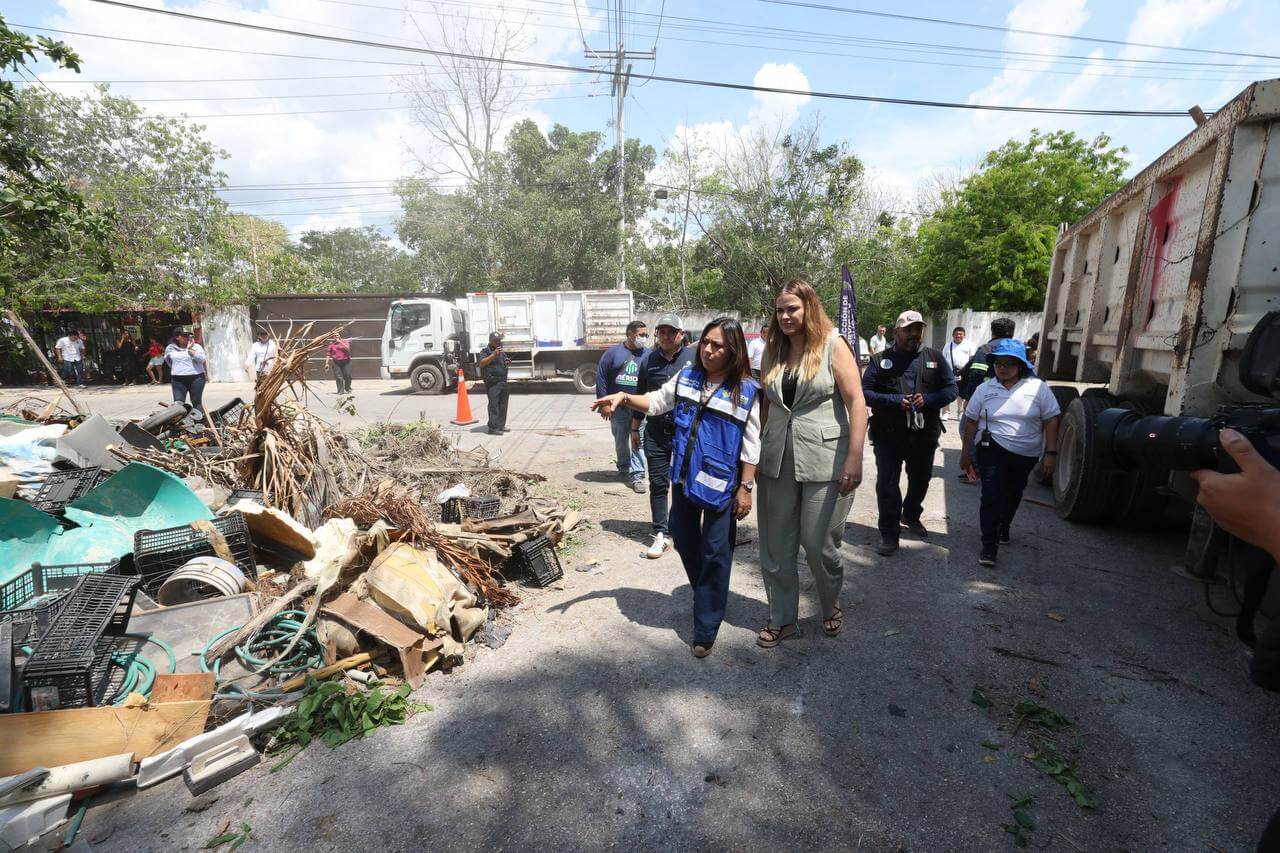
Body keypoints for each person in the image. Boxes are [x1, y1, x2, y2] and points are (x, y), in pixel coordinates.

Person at [591, 317, 760, 658]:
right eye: (707, 343)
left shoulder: (746, 390)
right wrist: (624, 396)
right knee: (682, 536)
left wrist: (746, 486)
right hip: (683, 478)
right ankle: (709, 594)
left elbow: (752, 443)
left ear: (734, 350)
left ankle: (706, 625)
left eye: (718, 346)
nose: (709, 351)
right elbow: (655, 401)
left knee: (716, 551)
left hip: (720, 485)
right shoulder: (688, 377)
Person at [755, 279, 868, 647]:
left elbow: (856, 403)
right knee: (776, 545)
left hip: (825, 458)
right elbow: (768, 403)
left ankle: (830, 604)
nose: (786, 316)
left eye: (793, 309)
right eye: (780, 310)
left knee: (818, 543)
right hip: (776, 459)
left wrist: (854, 457)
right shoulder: (772, 350)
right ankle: (783, 618)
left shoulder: (833, 345)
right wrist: (758, 448)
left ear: (809, 308)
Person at [958, 339, 1061, 567]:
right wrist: (966, 454)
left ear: (1021, 365)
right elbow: (971, 422)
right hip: (991, 449)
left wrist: (1051, 453)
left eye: (1009, 363)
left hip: (1026, 453)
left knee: (1013, 493)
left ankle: (1004, 525)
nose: (1002, 368)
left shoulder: (1038, 388)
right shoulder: (985, 389)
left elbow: (1052, 419)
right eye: (998, 363)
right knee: (991, 494)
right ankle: (989, 545)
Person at [862, 310, 957, 556]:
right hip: (888, 435)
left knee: (921, 479)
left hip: (924, 435)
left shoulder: (934, 357)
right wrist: (895, 400)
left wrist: (929, 399)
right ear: (896, 332)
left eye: (918, 329)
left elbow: (951, 389)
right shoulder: (879, 360)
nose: (914, 335)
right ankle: (889, 533)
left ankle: (911, 513)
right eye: (908, 330)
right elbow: (865, 392)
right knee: (887, 484)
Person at [634, 313, 695, 558]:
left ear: (681, 334)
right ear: (657, 334)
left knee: (685, 483)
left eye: (672, 332)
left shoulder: (694, 358)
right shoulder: (648, 360)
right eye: (663, 331)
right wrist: (633, 429)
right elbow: (642, 395)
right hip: (656, 432)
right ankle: (662, 532)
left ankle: (685, 529)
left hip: (686, 434)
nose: (667, 336)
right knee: (658, 483)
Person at [595, 320, 649, 493]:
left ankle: (638, 475)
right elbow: (601, 377)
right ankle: (624, 469)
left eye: (646, 335)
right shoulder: (613, 353)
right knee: (620, 440)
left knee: (637, 440)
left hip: (639, 407)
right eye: (641, 335)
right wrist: (603, 403)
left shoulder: (648, 354)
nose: (644, 338)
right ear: (630, 334)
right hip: (617, 408)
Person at [165, 329, 207, 414]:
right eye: (184, 336)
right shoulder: (170, 348)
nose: (187, 338)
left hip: (196, 378)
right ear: (177, 337)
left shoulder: (196, 347)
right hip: (178, 379)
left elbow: (202, 360)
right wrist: (178, 369)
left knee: (196, 402)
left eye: (189, 336)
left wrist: (190, 349)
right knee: (178, 404)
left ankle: (199, 423)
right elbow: (168, 361)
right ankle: (181, 424)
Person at [477, 332, 511, 435]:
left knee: (503, 405)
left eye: (500, 340)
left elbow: (504, 360)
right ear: (491, 341)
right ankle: (492, 427)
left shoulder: (501, 351)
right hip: (493, 383)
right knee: (494, 405)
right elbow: (482, 363)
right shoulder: (485, 351)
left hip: (502, 382)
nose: (499, 342)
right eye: (497, 341)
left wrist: (507, 362)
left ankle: (501, 425)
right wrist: (493, 355)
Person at [942, 326, 974, 420]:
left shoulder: (969, 345)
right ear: (953, 335)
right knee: (947, 392)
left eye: (960, 334)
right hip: (950, 372)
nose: (958, 336)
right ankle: (945, 413)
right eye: (956, 334)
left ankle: (960, 413)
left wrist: (967, 371)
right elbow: (943, 358)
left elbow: (972, 359)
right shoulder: (948, 345)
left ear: (964, 335)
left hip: (964, 373)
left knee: (962, 394)